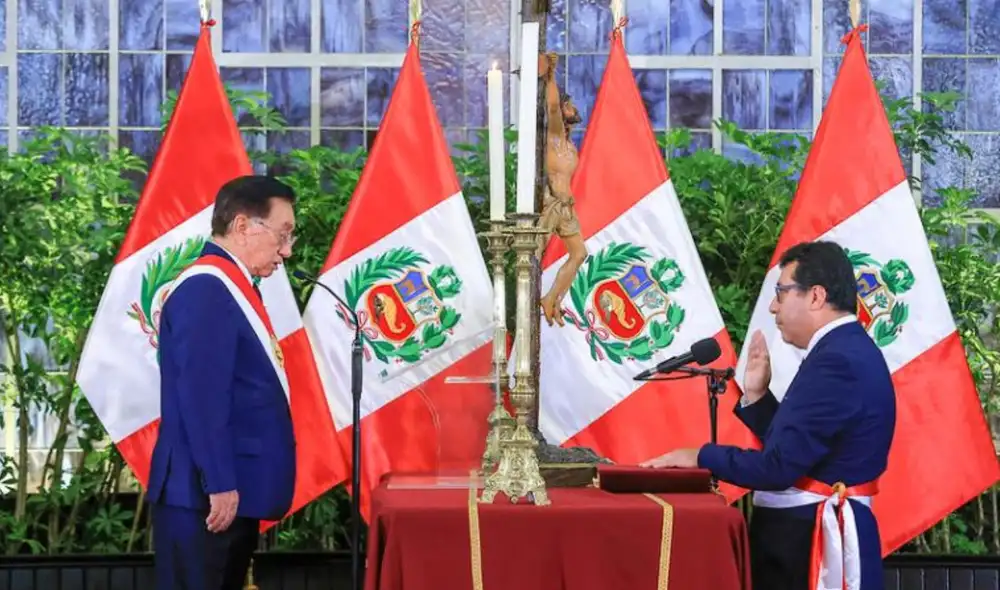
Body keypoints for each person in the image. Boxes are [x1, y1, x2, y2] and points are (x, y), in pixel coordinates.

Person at [641, 240, 896, 590]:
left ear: (816, 296)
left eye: (781, 292)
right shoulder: (843, 349)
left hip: (811, 544)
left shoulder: (837, 360)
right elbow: (801, 450)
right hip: (809, 535)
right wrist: (758, 397)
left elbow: (778, 469)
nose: (774, 307)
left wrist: (700, 456)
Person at [147, 175, 299, 590]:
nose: (286, 250)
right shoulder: (207, 289)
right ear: (242, 226)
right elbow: (202, 396)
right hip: (205, 495)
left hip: (225, 490)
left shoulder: (232, 286)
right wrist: (220, 482)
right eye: (282, 234)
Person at [537, 52, 587, 327]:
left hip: (567, 206)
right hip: (552, 204)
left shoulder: (570, 147)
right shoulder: (554, 138)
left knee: (579, 254)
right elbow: (553, 107)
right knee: (534, 256)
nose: (574, 109)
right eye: (570, 105)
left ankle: (553, 298)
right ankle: (532, 299)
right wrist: (551, 76)